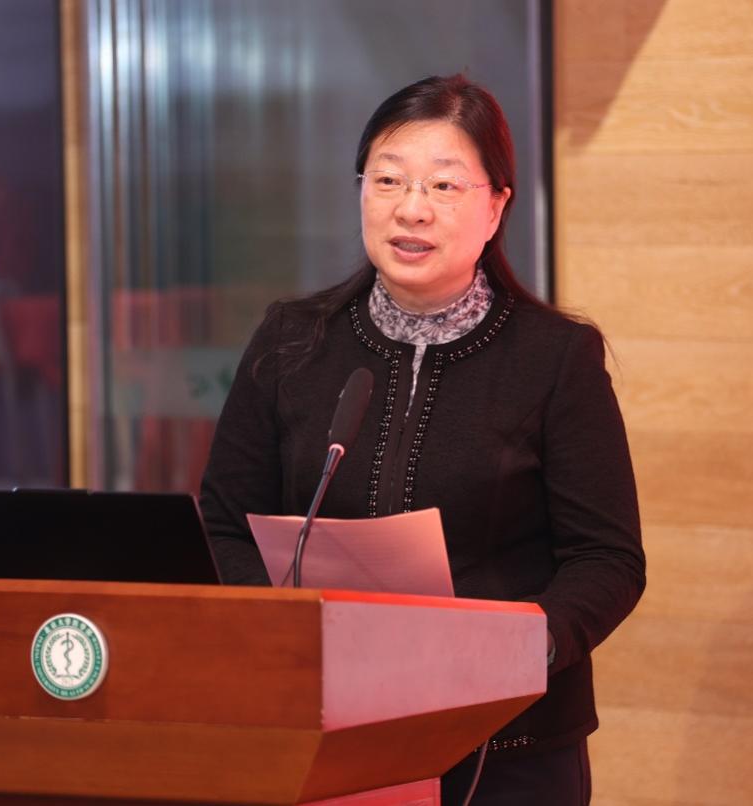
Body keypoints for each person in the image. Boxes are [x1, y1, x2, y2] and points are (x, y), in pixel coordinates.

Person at [200, 74, 644, 805]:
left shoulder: (553, 358)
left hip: (504, 741)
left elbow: (607, 559)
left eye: (444, 186)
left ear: (496, 206)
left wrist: (522, 647)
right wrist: (283, 631)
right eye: (388, 180)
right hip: (321, 727)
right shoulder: (292, 340)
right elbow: (222, 524)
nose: (411, 209)